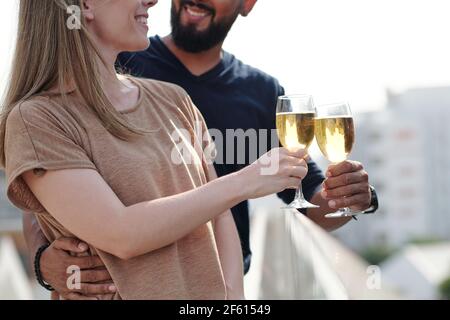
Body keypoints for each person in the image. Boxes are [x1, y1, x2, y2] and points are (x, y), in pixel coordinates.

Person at [23, 0, 378, 299]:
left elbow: (306, 196)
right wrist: (42, 260)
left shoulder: (258, 92)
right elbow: (51, 199)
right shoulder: (127, 57)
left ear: (247, 4)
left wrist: (349, 197)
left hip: (215, 286)